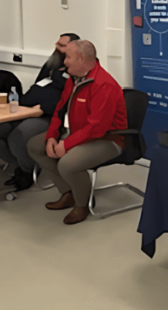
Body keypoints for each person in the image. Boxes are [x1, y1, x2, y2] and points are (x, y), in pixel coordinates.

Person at [27, 41, 127, 225]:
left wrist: (66, 144)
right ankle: (69, 192)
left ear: (81, 58)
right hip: (78, 133)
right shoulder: (73, 80)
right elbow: (59, 110)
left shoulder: (104, 84)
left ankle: (82, 204)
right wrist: (51, 137)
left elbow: (96, 127)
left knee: (67, 164)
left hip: (107, 139)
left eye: (68, 57)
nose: (64, 62)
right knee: (35, 146)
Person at [0, 33, 79, 190]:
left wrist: (40, 109)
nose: (56, 47)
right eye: (57, 43)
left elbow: (71, 100)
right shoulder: (52, 63)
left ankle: (26, 171)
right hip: (26, 109)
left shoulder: (77, 68)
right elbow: (39, 84)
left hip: (48, 115)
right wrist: (24, 106)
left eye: (61, 45)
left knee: (18, 136)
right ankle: (23, 165)